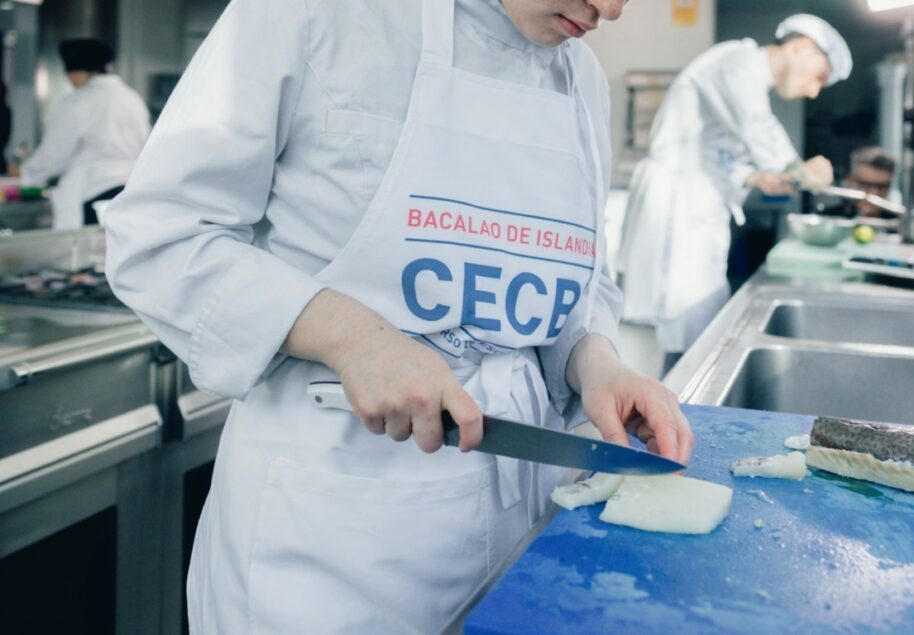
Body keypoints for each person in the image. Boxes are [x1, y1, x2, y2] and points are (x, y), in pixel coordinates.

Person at [103, 1, 694, 632]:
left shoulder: (581, 78)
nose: (610, 8)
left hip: (526, 526)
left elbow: (576, 276)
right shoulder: (312, 14)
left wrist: (594, 361)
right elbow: (160, 238)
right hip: (332, 548)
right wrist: (351, 337)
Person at [618, 14, 852, 373]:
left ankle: (673, 407)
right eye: (819, 77)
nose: (814, 91)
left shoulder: (747, 80)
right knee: (674, 332)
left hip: (698, 212)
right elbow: (756, 126)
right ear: (802, 47)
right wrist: (800, 168)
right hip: (675, 213)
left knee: (693, 331)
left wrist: (754, 178)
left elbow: (714, 153)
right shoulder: (736, 62)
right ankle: (659, 416)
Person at [15, 38, 150, 229]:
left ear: (77, 72)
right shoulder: (132, 98)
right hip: (130, 191)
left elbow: (55, 153)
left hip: (93, 191)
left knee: (89, 253)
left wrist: (28, 176)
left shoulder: (79, 100)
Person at [828, 145, 897, 218]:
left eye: (881, 187)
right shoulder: (830, 220)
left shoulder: (898, 224)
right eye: (866, 185)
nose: (874, 193)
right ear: (850, 182)